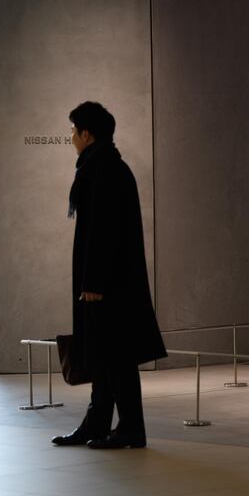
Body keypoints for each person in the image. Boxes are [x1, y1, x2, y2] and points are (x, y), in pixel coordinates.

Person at [51, 101, 167, 449]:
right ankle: (98, 423)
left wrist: (94, 283)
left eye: (73, 130)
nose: (71, 136)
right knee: (105, 354)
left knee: (116, 356)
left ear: (87, 134)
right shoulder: (100, 166)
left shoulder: (105, 170)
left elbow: (104, 232)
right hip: (107, 284)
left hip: (109, 286)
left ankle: (131, 428)